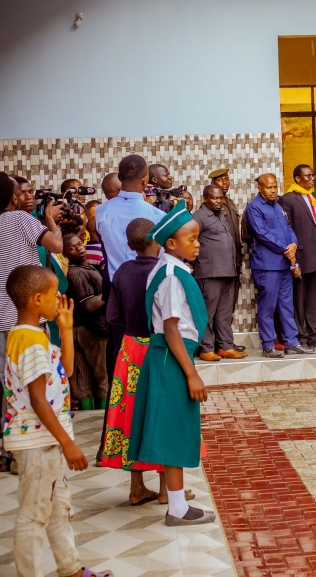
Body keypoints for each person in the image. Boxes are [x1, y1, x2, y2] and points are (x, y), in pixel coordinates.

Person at [2, 265, 111, 577]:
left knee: (57, 510)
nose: (59, 300)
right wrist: (67, 443)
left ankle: (71, 570)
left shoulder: (33, 335)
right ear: (37, 299)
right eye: (54, 295)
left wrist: (65, 330)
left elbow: (67, 370)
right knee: (34, 515)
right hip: (38, 443)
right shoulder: (30, 342)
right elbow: (38, 399)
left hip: (45, 441)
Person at [126, 203, 216, 526]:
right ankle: (177, 509)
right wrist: (192, 374)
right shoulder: (170, 277)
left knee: (173, 429)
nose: (198, 244)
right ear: (172, 243)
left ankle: (177, 504)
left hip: (170, 356)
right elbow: (171, 329)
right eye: (192, 239)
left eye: (198, 238)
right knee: (172, 430)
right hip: (170, 357)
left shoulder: (173, 270)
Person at [0, 172, 66, 473]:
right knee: (33, 383)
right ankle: (24, 451)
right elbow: (56, 245)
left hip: (0, 314)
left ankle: (7, 450)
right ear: (13, 197)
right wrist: (50, 219)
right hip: (27, 315)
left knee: (9, 384)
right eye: (19, 192)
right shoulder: (20, 220)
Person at [101, 218, 179, 507]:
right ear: (157, 239)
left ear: (129, 244)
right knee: (161, 413)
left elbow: (112, 316)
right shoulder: (164, 271)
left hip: (130, 349)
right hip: (159, 347)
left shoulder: (122, 271)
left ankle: (136, 487)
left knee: (131, 413)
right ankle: (166, 489)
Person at [95, 155, 166, 397]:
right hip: (149, 287)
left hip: (116, 288)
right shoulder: (156, 215)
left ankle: (117, 404)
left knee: (118, 348)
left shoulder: (101, 211)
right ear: (145, 179)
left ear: (120, 176)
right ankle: (145, 400)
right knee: (149, 347)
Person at [244, 173, 311, 358]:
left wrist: (294, 244)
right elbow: (262, 234)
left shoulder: (278, 205)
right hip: (267, 267)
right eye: (269, 187)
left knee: (286, 305)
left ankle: (292, 342)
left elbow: (288, 228)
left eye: (275, 187)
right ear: (260, 188)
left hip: (283, 265)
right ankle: (268, 345)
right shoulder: (254, 208)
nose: (273, 191)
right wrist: (286, 249)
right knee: (268, 307)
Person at [279, 164, 316, 350]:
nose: (312, 178)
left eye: (312, 175)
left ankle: (314, 336)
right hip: (300, 257)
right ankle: (301, 337)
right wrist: (293, 261)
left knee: (314, 299)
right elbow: (286, 229)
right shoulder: (288, 199)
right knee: (299, 300)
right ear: (297, 178)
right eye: (308, 176)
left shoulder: (314, 197)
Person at [193, 185, 247, 361]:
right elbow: (190, 241)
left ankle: (225, 346)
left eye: (220, 198)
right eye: (214, 198)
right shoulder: (199, 217)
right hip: (210, 273)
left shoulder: (221, 215)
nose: (218, 201)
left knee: (224, 313)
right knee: (208, 313)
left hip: (227, 271)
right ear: (205, 199)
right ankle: (206, 348)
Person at [63, 233, 108, 410]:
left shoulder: (85, 268)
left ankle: (88, 410)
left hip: (82, 327)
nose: (79, 249)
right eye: (72, 248)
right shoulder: (78, 274)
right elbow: (88, 305)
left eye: (80, 244)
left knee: (85, 375)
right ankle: (103, 412)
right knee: (102, 373)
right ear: (65, 254)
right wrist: (109, 293)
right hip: (91, 328)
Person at [209, 168, 245, 330]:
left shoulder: (229, 203)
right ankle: (213, 340)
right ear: (212, 183)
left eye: (226, 179)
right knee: (216, 306)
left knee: (229, 304)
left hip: (234, 262)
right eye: (219, 180)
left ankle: (225, 339)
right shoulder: (211, 206)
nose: (224, 183)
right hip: (219, 266)